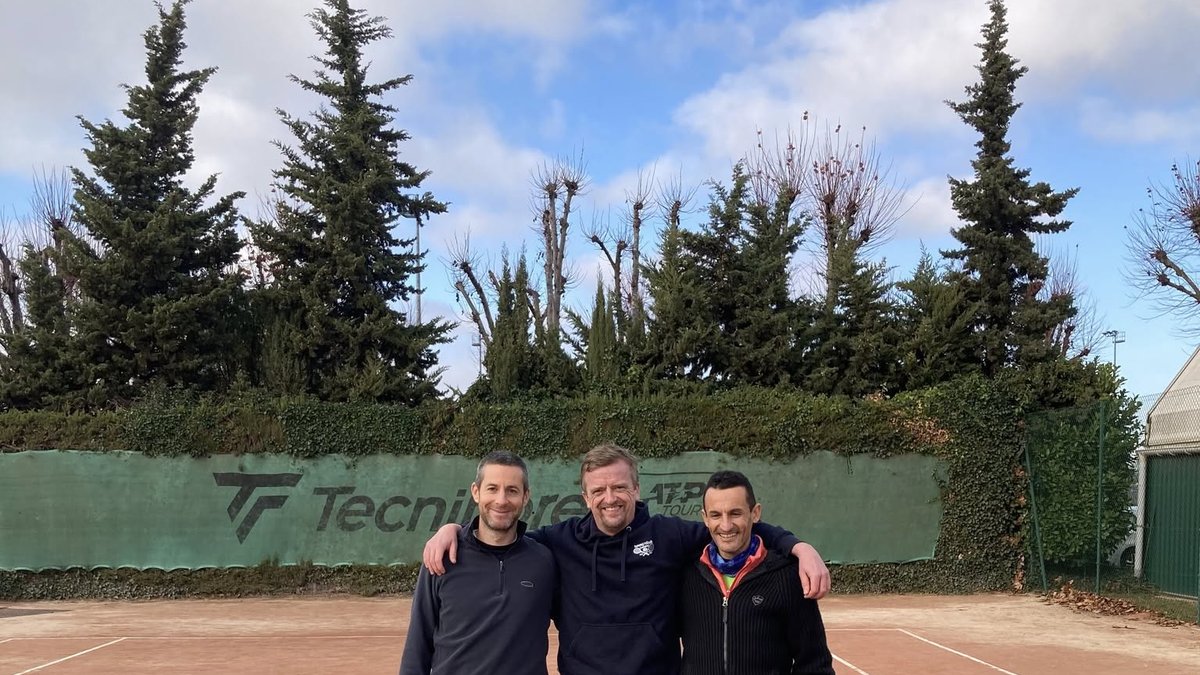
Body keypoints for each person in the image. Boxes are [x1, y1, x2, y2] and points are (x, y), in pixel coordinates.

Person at [422, 443, 831, 675]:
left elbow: (730, 528)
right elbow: (500, 530)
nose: (609, 498)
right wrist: (455, 529)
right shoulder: (558, 542)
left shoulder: (670, 536)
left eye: (619, 487)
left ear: (636, 488)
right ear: (585, 497)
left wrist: (798, 547)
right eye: (598, 491)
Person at [400, 451, 555, 675]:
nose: (501, 500)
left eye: (512, 490)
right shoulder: (441, 557)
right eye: (492, 489)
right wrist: (452, 528)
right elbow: (418, 644)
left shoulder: (544, 561)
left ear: (525, 496)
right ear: (476, 492)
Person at [680, 470, 834, 675]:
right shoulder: (685, 574)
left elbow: (815, 664)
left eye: (735, 513)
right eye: (716, 515)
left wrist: (801, 548)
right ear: (705, 518)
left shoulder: (787, 576)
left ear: (755, 513)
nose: (726, 526)